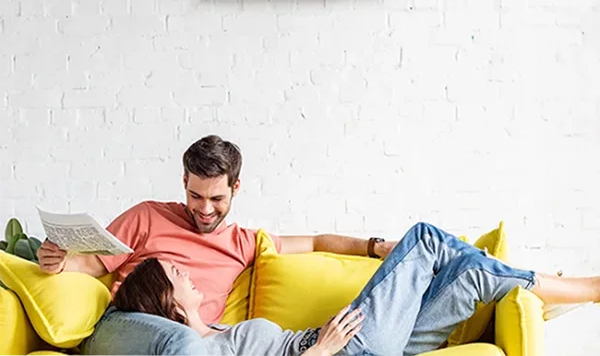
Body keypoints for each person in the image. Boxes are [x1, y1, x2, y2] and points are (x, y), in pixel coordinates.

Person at [36, 135, 399, 354]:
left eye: (217, 198)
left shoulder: (242, 243)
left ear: (235, 188)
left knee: (190, 343)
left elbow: (316, 241)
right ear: (184, 181)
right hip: (129, 325)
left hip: (200, 344)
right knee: (184, 342)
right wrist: (58, 262)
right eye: (196, 196)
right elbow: (91, 265)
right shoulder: (147, 216)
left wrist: (374, 246)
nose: (205, 209)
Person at [102, 222, 600, 356]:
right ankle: (583, 288)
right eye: (175, 273)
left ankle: (556, 291)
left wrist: (374, 247)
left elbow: (315, 239)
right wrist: (320, 351)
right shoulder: (194, 349)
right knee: (425, 238)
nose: (186, 273)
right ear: (165, 299)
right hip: (346, 347)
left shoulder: (210, 330)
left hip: (364, 344)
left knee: (469, 276)